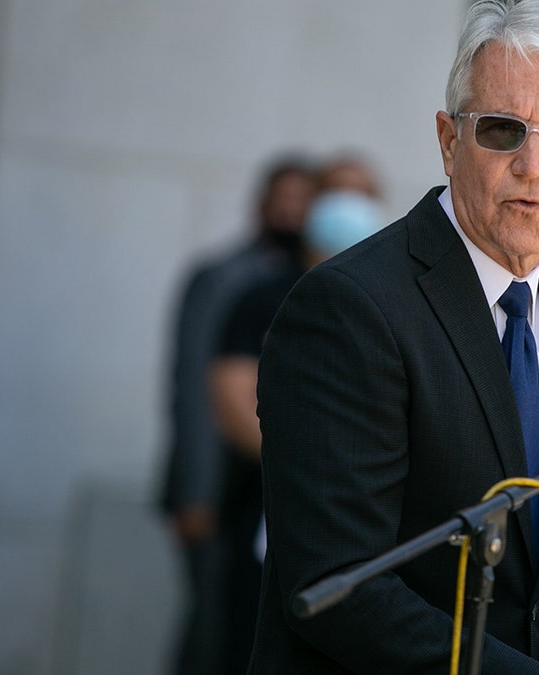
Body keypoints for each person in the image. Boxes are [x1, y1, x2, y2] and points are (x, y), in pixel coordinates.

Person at [249, 2, 539, 673]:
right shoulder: (350, 307)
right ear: (448, 140)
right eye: (502, 129)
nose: (533, 164)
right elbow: (340, 589)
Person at [208, 156, 383, 674]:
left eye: (365, 194)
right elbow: (231, 396)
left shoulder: (397, 301)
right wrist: (315, 467)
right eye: (337, 194)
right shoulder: (264, 294)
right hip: (266, 506)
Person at [158, 154, 315, 675]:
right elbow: (196, 391)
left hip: (262, 498)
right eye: (284, 200)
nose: (293, 212)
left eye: (303, 201)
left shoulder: (306, 279)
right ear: (261, 205)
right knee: (212, 632)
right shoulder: (226, 278)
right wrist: (196, 493)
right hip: (222, 495)